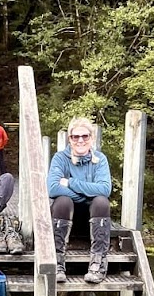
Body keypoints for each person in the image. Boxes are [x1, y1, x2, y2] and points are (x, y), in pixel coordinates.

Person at [47, 117, 112, 285]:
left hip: (92, 219)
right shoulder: (60, 158)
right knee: (62, 200)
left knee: (101, 201)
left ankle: (97, 264)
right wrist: (85, 195)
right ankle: (57, 263)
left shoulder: (100, 159)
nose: (80, 140)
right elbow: (53, 187)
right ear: (70, 138)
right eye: (76, 136)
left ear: (92, 138)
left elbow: (105, 189)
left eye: (85, 136)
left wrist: (70, 182)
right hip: (64, 217)